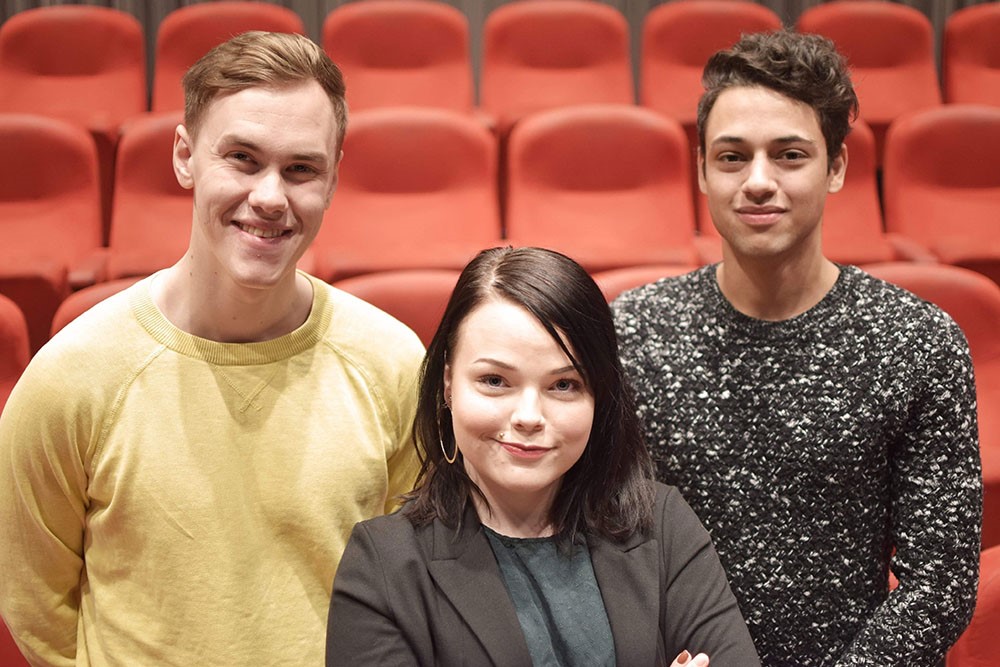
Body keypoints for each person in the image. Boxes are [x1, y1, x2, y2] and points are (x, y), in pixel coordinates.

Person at [0, 32, 424, 666]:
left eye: (301, 168)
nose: (271, 197)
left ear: (334, 176)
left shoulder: (393, 363)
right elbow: (36, 604)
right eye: (243, 159)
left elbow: (409, 584)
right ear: (185, 156)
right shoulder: (71, 376)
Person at [613, 30, 982, 666]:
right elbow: (598, 542)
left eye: (789, 155)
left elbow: (939, 585)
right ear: (702, 169)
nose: (758, 181)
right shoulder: (633, 332)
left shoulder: (917, 341)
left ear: (836, 167)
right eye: (732, 157)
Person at [326, 246, 760, 667]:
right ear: (447, 386)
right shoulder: (382, 563)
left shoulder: (662, 524)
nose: (529, 417)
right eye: (495, 380)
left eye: (564, 385)